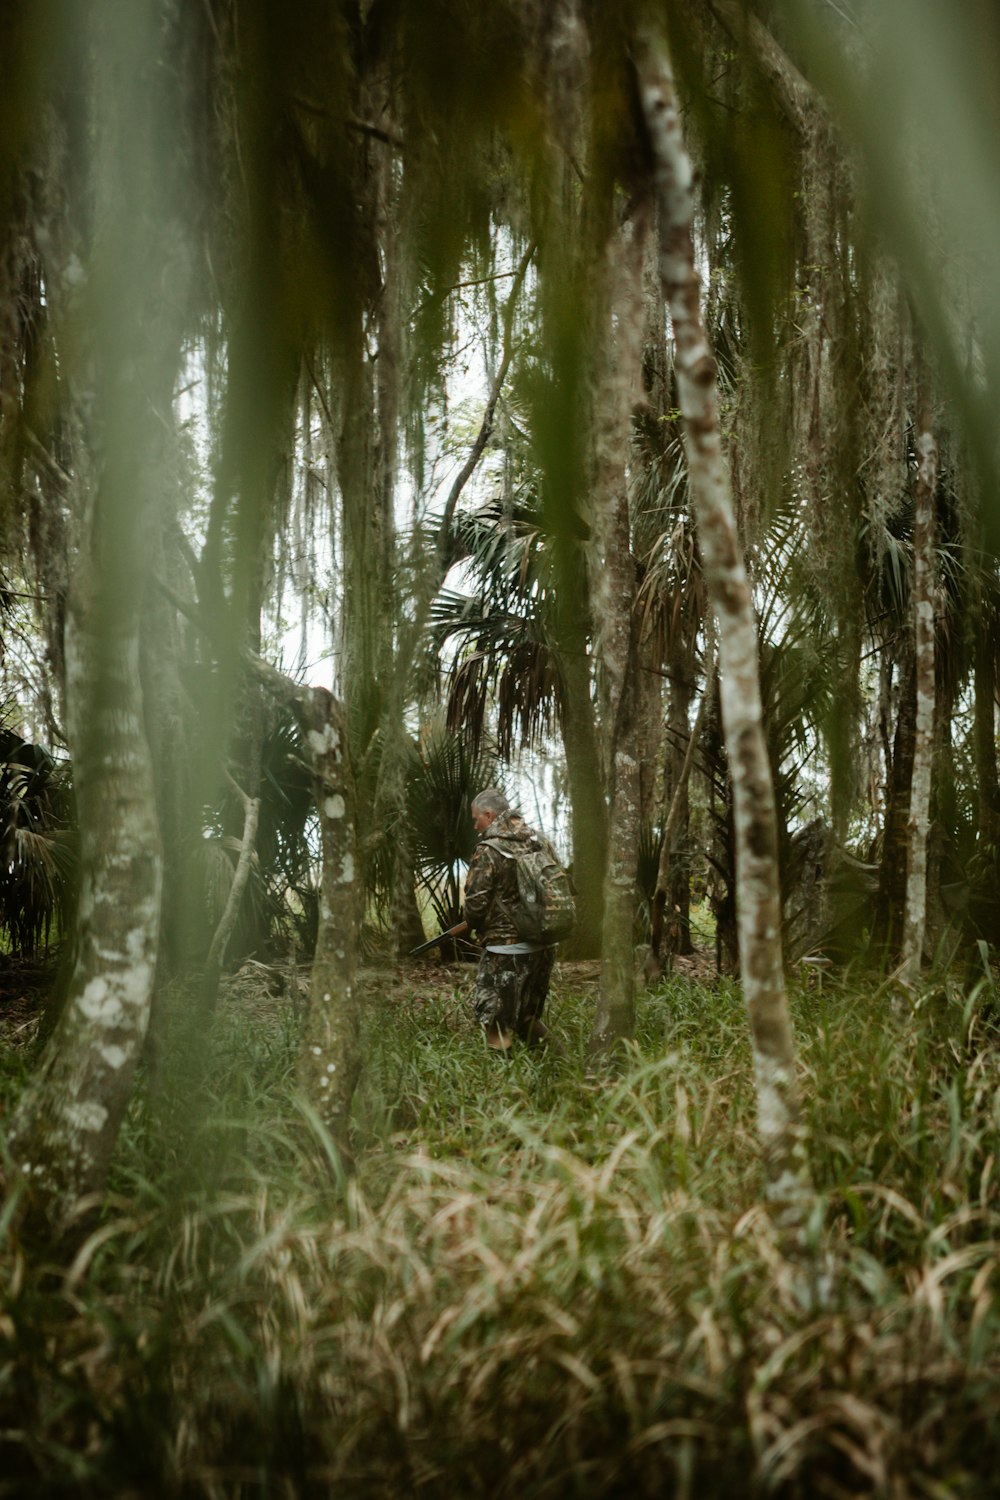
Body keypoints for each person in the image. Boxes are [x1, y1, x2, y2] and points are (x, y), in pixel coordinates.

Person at [463, 787, 559, 1052]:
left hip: (505, 951)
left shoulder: (489, 849)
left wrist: (473, 923)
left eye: (476, 819)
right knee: (527, 1018)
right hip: (543, 947)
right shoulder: (540, 840)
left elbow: (475, 906)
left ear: (489, 815)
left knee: (495, 1024)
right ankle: (563, 1068)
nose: (475, 825)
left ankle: (504, 1091)